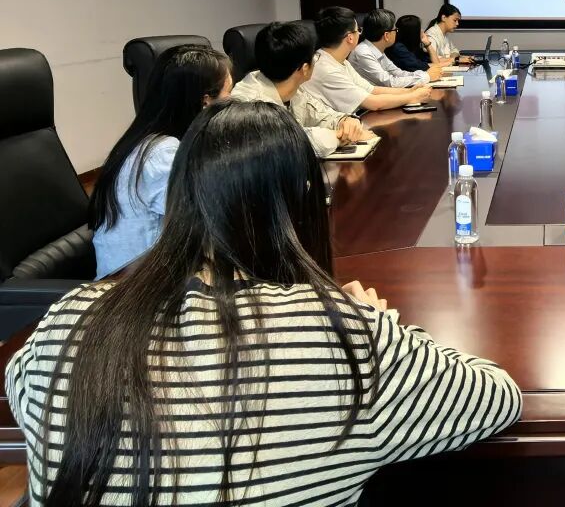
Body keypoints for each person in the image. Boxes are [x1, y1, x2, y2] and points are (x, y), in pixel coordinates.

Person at [6, 101, 522, 506]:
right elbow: (498, 397)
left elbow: (21, 384)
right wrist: (381, 327)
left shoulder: (67, 319)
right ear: (304, 201)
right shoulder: (343, 338)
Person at [90, 44, 232, 280]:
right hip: (132, 285)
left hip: (157, 270)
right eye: (229, 92)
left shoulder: (154, 138)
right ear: (206, 101)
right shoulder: (162, 153)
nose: (232, 101)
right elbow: (206, 221)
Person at [231, 21, 372, 158]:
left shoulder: (291, 88)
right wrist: (338, 137)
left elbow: (320, 114)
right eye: (314, 57)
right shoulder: (250, 104)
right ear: (305, 68)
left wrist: (345, 121)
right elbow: (290, 143)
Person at [308, 6, 432, 113]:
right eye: (358, 30)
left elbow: (371, 89)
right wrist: (412, 96)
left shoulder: (340, 61)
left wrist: (409, 91)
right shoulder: (326, 68)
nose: (360, 34)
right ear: (350, 38)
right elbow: (373, 102)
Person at [349, 9, 442, 88]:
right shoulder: (363, 52)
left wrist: (425, 75)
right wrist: (426, 77)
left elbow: (398, 73)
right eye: (395, 30)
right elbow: (389, 82)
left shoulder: (377, 49)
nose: (397, 33)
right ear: (386, 35)